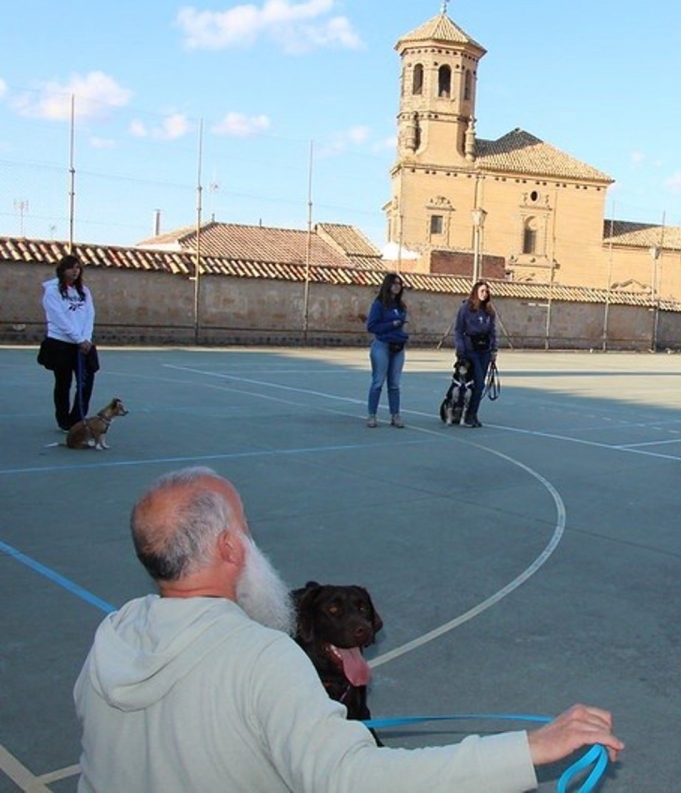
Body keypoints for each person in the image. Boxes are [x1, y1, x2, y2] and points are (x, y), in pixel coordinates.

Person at [74, 467, 623, 792]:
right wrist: (527, 749)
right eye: (246, 528)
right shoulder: (262, 657)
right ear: (227, 548)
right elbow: (355, 780)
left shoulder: (113, 635)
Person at [39, 254, 98, 431]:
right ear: (62, 270)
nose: (75, 271)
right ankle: (64, 421)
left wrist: (86, 338)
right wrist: (77, 339)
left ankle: (78, 419)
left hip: (84, 345)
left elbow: (90, 314)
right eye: (71, 268)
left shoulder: (84, 291)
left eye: (78, 268)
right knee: (63, 383)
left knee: (86, 382)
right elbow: (59, 319)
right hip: (61, 344)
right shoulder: (52, 291)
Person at [366, 273, 410, 428]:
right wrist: (392, 324)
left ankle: (395, 415)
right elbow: (371, 326)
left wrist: (404, 334)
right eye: (394, 283)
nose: (397, 286)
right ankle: (372, 415)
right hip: (382, 345)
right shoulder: (379, 304)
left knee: (395, 384)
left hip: (398, 347)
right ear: (387, 285)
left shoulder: (401, 306)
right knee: (378, 381)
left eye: (399, 283)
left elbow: (404, 325)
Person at [454, 280, 498, 428]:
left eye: (487, 291)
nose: (484, 294)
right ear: (476, 292)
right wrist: (460, 349)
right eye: (482, 291)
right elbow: (459, 330)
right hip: (470, 350)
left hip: (484, 350)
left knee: (480, 384)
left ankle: (472, 413)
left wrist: (494, 349)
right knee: (477, 383)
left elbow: (492, 331)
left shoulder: (489, 311)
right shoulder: (465, 308)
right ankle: (467, 414)